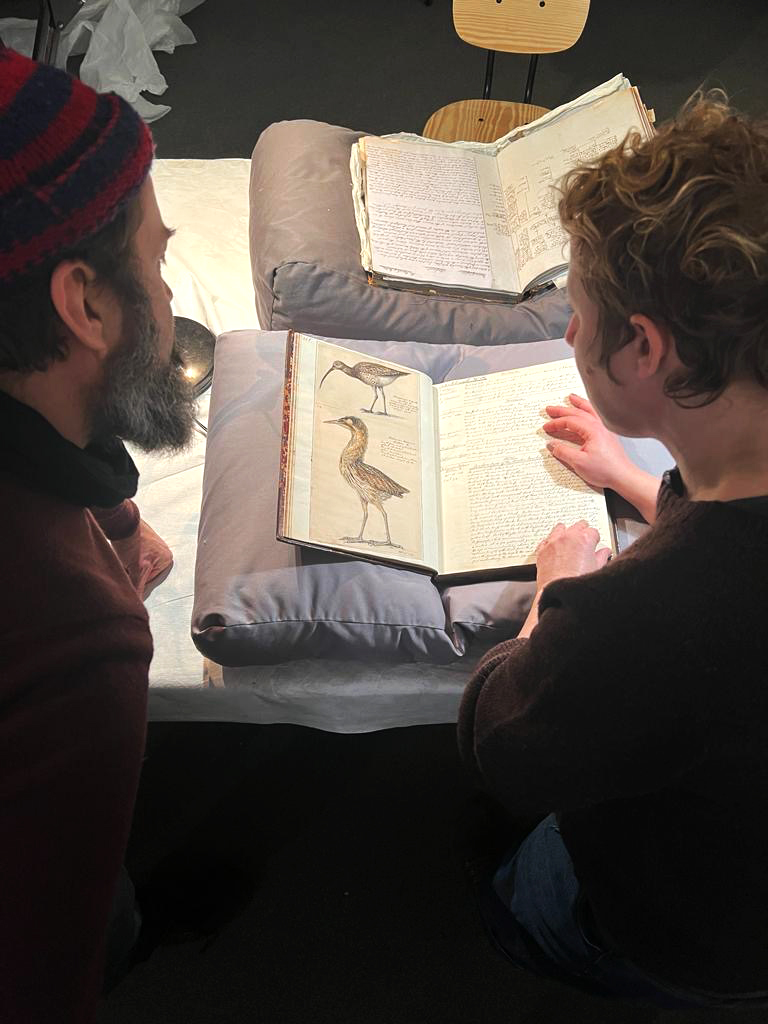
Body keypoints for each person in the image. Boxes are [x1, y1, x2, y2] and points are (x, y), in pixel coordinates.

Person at [458, 91, 768, 1008]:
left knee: (525, 898)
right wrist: (643, 484)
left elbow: (505, 745)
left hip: (703, 931)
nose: (569, 335)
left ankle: (529, 935)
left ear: (642, 347)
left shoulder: (638, 619)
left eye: (578, 316)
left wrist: (558, 593)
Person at [0, 46, 197, 1023]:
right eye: (157, 263)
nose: (169, 302)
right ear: (82, 303)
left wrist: (105, 508)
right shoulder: (79, 641)